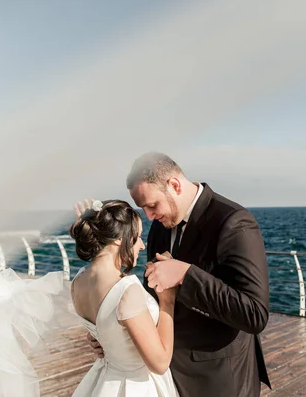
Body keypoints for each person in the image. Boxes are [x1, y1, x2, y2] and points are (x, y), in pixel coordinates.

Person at [89, 152, 272, 397]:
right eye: (143, 209)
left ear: (174, 185)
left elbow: (254, 314)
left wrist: (186, 274)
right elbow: (152, 296)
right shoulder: (158, 227)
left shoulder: (233, 221)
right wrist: (116, 336)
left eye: (152, 205)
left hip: (219, 379)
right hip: (167, 375)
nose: (149, 216)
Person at [69, 199, 180, 397]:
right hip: (136, 386)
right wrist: (168, 300)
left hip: (104, 381)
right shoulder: (126, 291)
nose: (142, 245)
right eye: (136, 237)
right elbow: (160, 363)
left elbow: (105, 326)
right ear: (119, 239)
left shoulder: (78, 281)